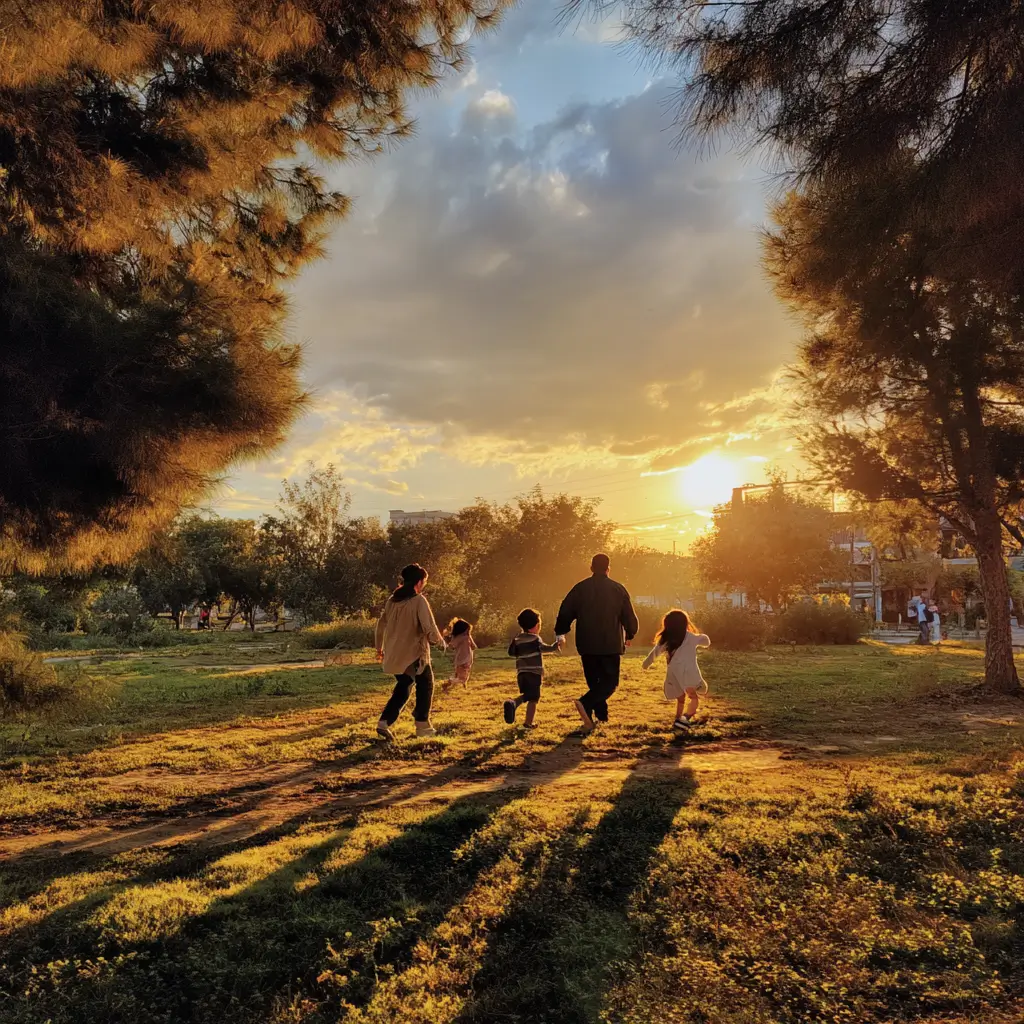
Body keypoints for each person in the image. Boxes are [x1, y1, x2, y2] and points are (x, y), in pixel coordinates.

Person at [554, 553, 639, 733]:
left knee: (595, 682)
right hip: (610, 644)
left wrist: (561, 630)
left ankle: (601, 716)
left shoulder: (580, 589)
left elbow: (566, 610)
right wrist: (630, 633)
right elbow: (629, 616)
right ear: (608, 568)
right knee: (610, 683)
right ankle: (585, 703)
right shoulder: (618, 589)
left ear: (591, 568)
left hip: (587, 644)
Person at [374, 564, 445, 740]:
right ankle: (422, 726)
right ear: (419, 582)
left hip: (394, 654)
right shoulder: (418, 600)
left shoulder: (392, 601)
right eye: (424, 582)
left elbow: (380, 625)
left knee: (404, 685)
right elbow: (429, 626)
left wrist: (379, 648)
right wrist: (440, 642)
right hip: (415, 654)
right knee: (426, 685)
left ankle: (384, 722)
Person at [642, 609, 711, 732]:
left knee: (681, 698)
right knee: (693, 697)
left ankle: (677, 719)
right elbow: (706, 642)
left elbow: (654, 653)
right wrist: (702, 636)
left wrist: (646, 665)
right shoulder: (691, 637)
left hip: (674, 674)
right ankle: (685, 718)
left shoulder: (666, 639)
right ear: (685, 623)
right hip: (690, 673)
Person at [503, 608, 562, 728]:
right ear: (535, 626)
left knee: (528, 695)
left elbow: (511, 652)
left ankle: (514, 704)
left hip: (522, 673)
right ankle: (526, 720)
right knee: (533, 698)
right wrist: (556, 645)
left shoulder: (517, 639)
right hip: (534, 673)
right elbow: (545, 648)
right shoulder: (535, 639)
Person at [444, 618, 477, 690]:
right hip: (464, 661)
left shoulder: (463, 637)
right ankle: (450, 681)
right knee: (462, 678)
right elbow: (474, 647)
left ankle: (461, 687)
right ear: (462, 630)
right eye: (467, 630)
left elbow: (451, 646)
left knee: (461, 675)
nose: (468, 631)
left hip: (463, 660)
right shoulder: (463, 637)